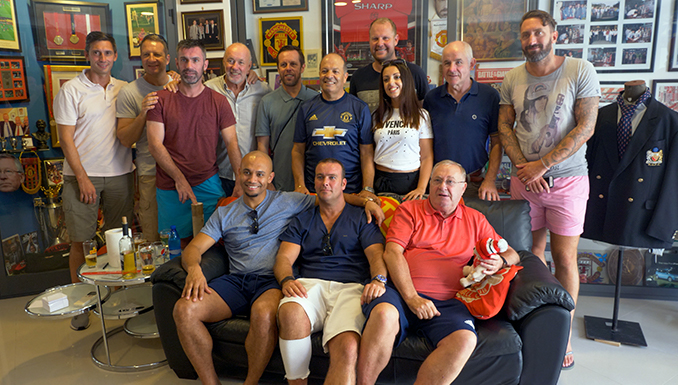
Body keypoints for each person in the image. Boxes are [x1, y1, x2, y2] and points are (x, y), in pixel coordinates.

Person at [173, 151, 383, 385]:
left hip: (269, 281)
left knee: (264, 314)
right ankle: (211, 382)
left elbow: (331, 196)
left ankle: (250, 382)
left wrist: (367, 202)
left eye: (260, 174)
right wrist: (194, 269)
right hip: (236, 280)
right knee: (184, 310)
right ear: (238, 175)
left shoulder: (289, 200)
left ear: (270, 177)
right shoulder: (224, 213)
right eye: (247, 172)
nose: (253, 179)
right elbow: (193, 249)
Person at [497, 10, 600, 370]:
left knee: (565, 258)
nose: (531, 41)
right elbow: (505, 127)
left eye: (538, 33)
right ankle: (536, 325)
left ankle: (563, 334)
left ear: (553, 34)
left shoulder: (579, 70)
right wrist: (526, 170)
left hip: (567, 181)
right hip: (524, 182)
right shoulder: (511, 78)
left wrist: (543, 165)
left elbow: (585, 126)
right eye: (525, 36)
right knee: (529, 255)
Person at [357, 160, 520, 385]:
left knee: (464, 339)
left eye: (450, 182)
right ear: (429, 185)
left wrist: (500, 261)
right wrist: (412, 298)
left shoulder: (475, 219)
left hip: (449, 302)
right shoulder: (409, 210)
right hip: (401, 293)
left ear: (463, 188)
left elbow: (513, 253)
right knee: (384, 315)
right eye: (437, 180)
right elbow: (392, 253)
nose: (442, 186)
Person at [274, 158, 386, 385]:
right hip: (309, 285)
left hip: (351, 288)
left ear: (343, 184)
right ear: (313, 182)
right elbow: (284, 258)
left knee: (347, 347)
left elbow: (376, 255)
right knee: (290, 312)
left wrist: (379, 280)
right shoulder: (302, 219)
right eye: (320, 177)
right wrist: (286, 279)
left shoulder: (361, 217)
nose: (325, 183)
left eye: (332, 178)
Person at [54, 32, 134, 331]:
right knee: (80, 242)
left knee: (118, 242)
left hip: (120, 175)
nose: (103, 58)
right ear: (88, 55)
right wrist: (83, 178)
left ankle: (117, 297)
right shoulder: (71, 90)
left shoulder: (123, 89)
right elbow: (66, 139)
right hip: (81, 178)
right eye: (97, 53)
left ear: (115, 57)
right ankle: (82, 303)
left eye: (108, 53)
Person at [146, 39, 241, 244]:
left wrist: (240, 179)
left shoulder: (218, 101)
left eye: (195, 60)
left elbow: (232, 142)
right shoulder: (160, 99)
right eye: (185, 60)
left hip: (208, 183)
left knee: (212, 247)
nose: (190, 66)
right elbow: (155, 144)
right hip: (170, 186)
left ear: (205, 65)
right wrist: (180, 179)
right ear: (177, 64)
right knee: (173, 249)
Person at [424, 41, 502, 201]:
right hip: (440, 187)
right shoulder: (431, 99)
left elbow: (498, 142)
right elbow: (425, 146)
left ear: (472, 64)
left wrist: (490, 180)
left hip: (476, 185)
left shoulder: (489, 96)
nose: (452, 69)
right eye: (447, 63)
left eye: (458, 62)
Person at [292, 53, 377, 199]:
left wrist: (368, 188)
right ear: (319, 74)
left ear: (345, 76)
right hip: (315, 192)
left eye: (335, 71)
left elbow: (367, 153)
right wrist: (300, 185)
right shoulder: (306, 108)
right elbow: (298, 151)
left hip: (351, 191)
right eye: (324, 71)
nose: (329, 75)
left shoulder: (359, 108)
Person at [116, 34, 174, 242]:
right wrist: (143, 114)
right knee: (155, 238)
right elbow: (124, 138)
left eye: (157, 54)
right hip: (151, 174)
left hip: (184, 174)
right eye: (146, 54)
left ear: (167, 58)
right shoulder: (129, 92)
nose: (151, 59)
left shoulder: (180, 84)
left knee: (183, 237)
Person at [205, 42, 271, 197]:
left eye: (241, 63)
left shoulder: (263, 91)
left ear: (249, 67)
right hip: (218, 174)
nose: (235, 67)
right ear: (223, 63)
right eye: (230, 61)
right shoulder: (208, 90)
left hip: (253, 177)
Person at [255, 45, 318, 192]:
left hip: (314, 181)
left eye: (293, 64)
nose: (288, 68)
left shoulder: (316, 100)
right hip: (280, 183)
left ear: (302, 67)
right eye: (283, 64)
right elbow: (262, 146)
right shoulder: (267, 102)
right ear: (278, 68)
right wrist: (267, 181)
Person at [372, 59, 433, 200]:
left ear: (406, 80)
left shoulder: (421, 115)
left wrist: (421, 188)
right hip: (382, 183)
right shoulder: (377, 115)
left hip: (411, 183)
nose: (391, 83)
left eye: (396, 77)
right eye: (386, 79)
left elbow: (427, 156)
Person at [349, 18, 429, 112]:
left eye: (385, 38)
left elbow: (426, 114)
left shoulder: (415, 73)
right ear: (369, 41)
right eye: (375, 39)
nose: (380, 43)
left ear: (396, 40)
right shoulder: (358, 77)